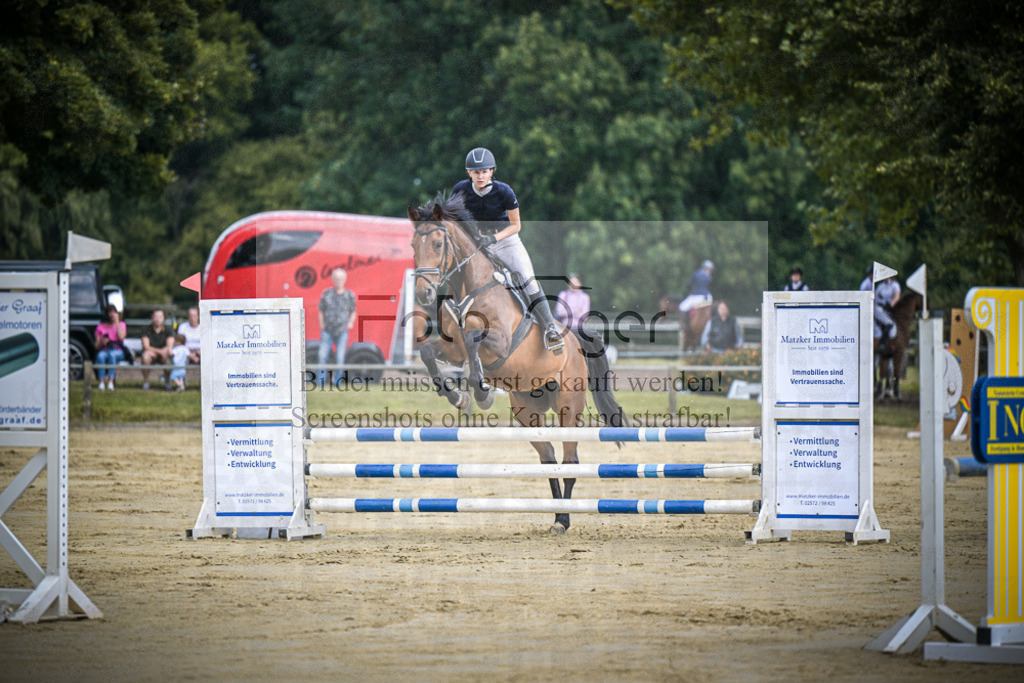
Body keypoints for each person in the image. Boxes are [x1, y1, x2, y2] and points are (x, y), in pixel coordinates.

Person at [453, 146, 562, 351]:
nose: (480, 176)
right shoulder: (461, 189)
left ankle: (550, 329)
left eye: (484, 171)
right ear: (469, 173)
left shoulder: (504, 191)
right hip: (477, 244)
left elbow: (516, 226)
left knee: (528, 279)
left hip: (505, 240)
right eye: (476, 172)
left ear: (492, 171)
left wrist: (493, 238)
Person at [317, 268, 356, 387]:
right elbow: (321, 310)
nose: (338, 281)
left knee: (340, 358)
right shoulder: (326, 293)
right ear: (333, 280)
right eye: (336, 278)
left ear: (344, 280)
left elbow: (353, 311)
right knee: (322, 356)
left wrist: (350, 324)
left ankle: (337, 383)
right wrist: (322, 324)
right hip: (327, 331)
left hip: (342, 332)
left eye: (340, 278)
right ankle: (320, 383)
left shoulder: (349, 295)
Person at [94, 304, 127, 391]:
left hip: (118, 351)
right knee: (100, 355)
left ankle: (111, 381)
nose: (112, 314)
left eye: (114, 312)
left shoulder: (122, 324)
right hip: (105, 350)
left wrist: (117, 323)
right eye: (110, 312)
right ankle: (101, 382)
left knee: (112, 354)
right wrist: (102, 342)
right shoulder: (100, 327)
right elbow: (97, 347)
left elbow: (121, 337)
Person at [140, 309, 174, 390]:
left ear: (163, 318)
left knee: (168, 357)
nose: (157, 319)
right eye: (155, 317)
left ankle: (167, 383)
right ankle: (146, 383)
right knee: (146, 356)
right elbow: (146, 346)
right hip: (152, 354)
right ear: (152, 318)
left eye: (159, 317)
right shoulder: (146, 329)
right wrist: (160, 352)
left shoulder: (168, 329)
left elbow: (170, 345)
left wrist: (163, 352)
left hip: (163, 355)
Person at [874, 275, 901, 342]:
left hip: (888, 308)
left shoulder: (894, 285)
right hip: (878, 308)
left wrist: (891, 304)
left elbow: (897, 297)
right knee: (891, 325)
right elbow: (876, 297)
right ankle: (887, 342)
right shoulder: (880, 286)